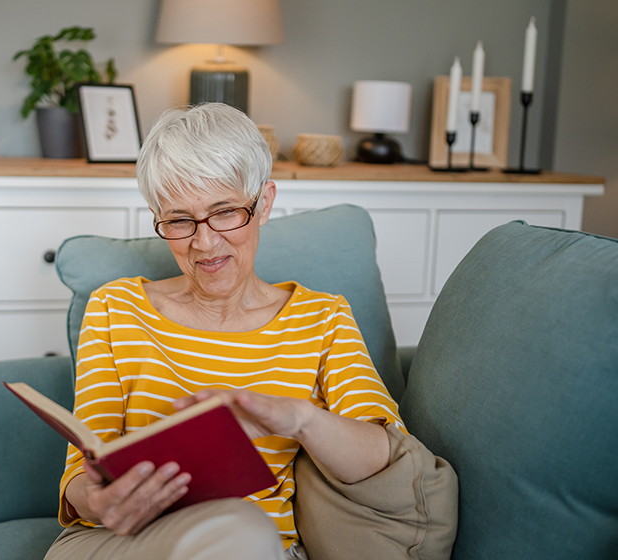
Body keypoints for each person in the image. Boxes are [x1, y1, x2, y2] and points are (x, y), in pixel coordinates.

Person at [44, 103, 405, 560]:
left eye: (225, 212)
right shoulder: (117, 308)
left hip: (253, 547)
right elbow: (81, 469)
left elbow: (382, 456)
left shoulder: (322, 318)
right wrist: (97, 501)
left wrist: (297, 418)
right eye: (179, 220)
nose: (205, 242)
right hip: (122, 545)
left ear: (265, 203)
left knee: (242, 531)